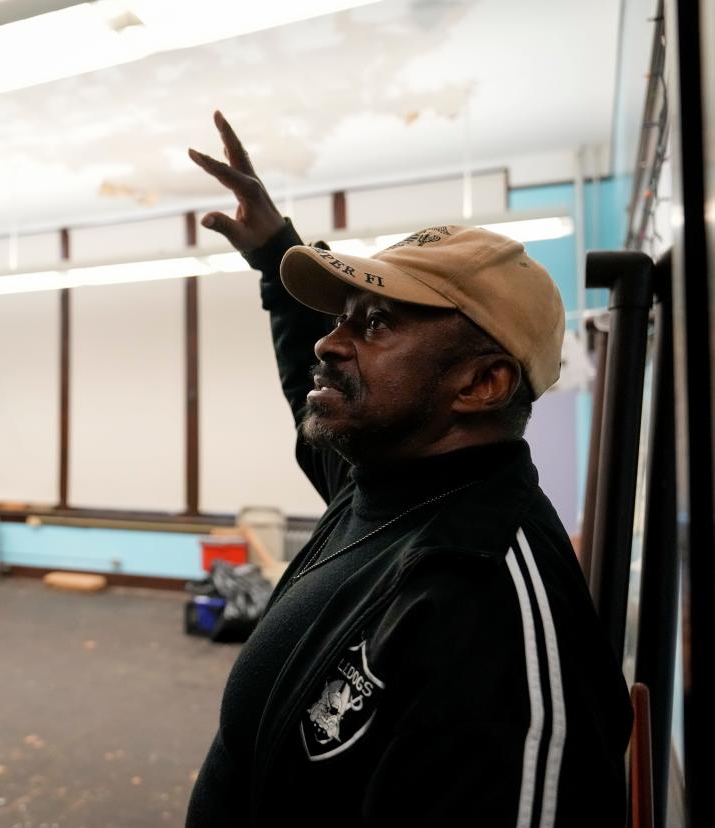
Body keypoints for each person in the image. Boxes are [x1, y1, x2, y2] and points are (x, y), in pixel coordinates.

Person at [184, 111, 631, 827]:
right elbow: (317, 359)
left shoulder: (484, 608)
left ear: (481, 384)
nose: (331, 344)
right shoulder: (381, 481)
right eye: (343, 317)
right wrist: (275, 254)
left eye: (376, 323)